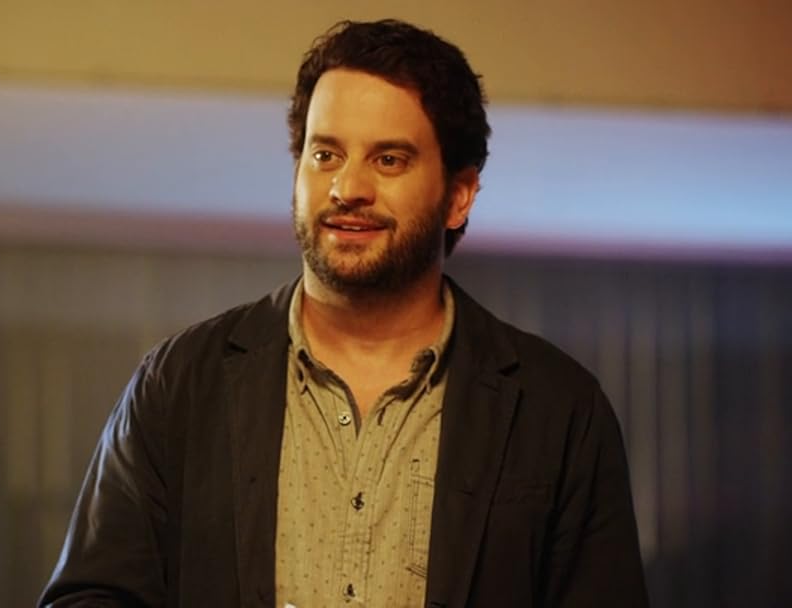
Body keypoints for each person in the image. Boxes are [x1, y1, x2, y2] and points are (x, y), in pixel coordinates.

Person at [39, 18, 649, 608]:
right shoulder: (177, 386)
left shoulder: (560, 410)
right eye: (325, 154)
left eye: (389, 160)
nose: (347, 188)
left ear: (459, 195)